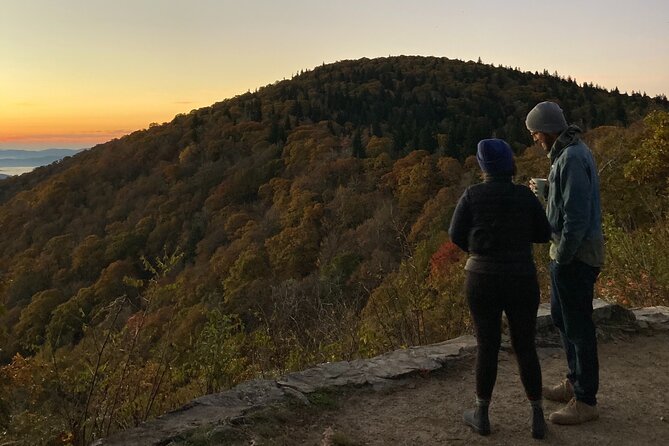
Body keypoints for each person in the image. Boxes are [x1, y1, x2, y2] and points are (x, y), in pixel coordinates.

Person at [449, 138, 552, 439]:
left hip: (481, 276)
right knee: (525, 345)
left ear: (484, 167)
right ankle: (537, 417)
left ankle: (481, 414)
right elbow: (544, 234)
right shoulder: (524, 196)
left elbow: (455, 235)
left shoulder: (472, 195)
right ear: (510, 164)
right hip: (521, 275)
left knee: (487, 345)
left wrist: (479, 247)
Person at [525, 101, 605, 425]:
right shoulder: (567, 153)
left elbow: (577, 219)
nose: (534, 140)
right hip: (570, 255)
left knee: (578, 327)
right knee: (563, 318)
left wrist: (563, 256)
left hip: (575, 257)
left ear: (546, 131)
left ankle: (585, 400)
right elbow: (568, 202)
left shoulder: (571, 158)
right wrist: (547, 190)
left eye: (534, 134)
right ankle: (575, 381)